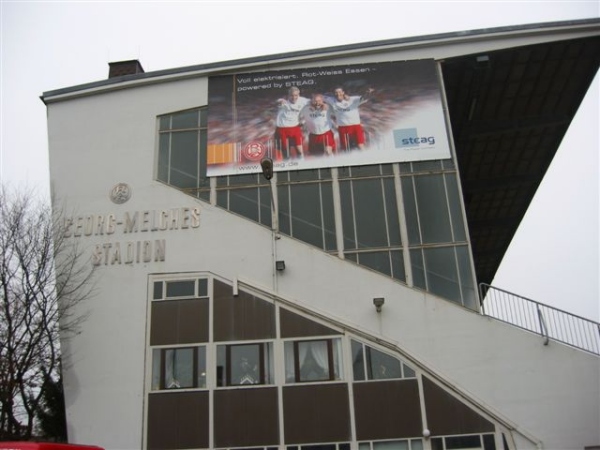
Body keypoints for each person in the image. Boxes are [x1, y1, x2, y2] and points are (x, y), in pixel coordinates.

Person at [325, 86, 374, 151]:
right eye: (336, 92)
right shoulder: (331, 100)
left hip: (355, 127)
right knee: (346, 149)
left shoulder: (352, 99)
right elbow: (320, 97)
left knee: (360, 146)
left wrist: (368, 93)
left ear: (343, 92)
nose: (338, 94)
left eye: (339, 92)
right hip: (343, 128)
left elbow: (364, 98)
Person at [274, 86, 310, 159]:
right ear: (288, 95)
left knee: (300, 151)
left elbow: (315, 101)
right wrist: (279, 102)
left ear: (299, 95)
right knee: (286, 154)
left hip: (295, 128)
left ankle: (302, 164)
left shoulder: (303, 101)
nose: (294, 97)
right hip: (282, 129)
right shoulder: (284, 102)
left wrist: (323, 105)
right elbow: (278, 102)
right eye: (291, 95)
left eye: (296, 95)